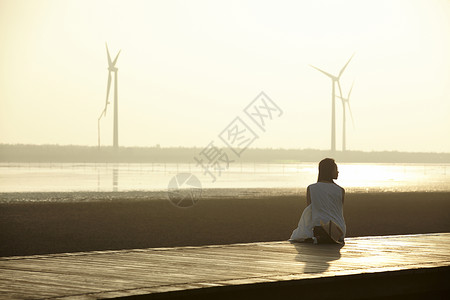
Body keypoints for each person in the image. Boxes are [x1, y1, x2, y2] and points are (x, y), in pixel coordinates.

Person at [289, 158, 346, 244]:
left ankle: (322, 235)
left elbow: (310, 210)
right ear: (329, 171)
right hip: (339, 231)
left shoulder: (311, 188)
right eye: (336, 169)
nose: (338, 172)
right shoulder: (340, 190)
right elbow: (339, 211)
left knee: (309, 221)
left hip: (320, 229)